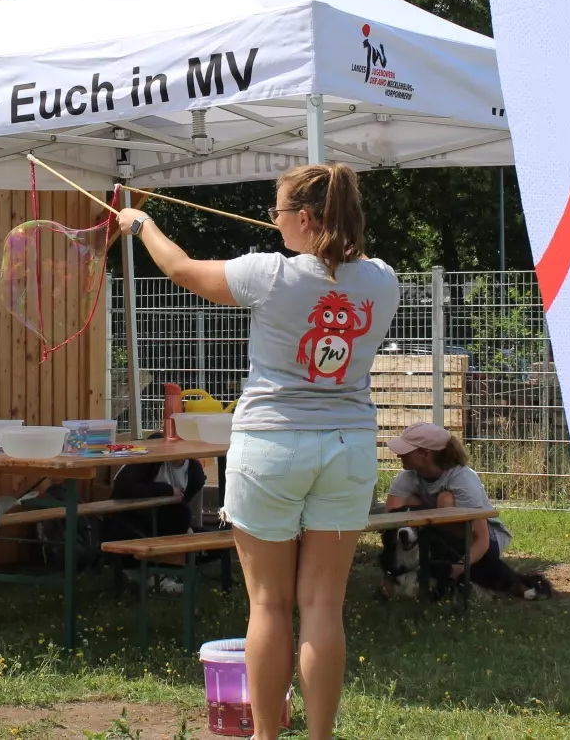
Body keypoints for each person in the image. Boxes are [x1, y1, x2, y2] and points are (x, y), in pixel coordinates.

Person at [118, 162, 399, 740]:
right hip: (347, 448)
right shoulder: (383, 280)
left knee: (269, 606)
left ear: (303, 218)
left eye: (277, 212)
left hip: (272, 443)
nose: (272, 222)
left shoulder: (268, 274)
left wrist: (140, 221)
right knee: (323, 605)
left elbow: (181, 269)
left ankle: (267, 738)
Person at [385, 423, 553, 600]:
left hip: (483, 540)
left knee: (446, 500)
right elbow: (393, 519)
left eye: (406, 450)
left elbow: (482, 538)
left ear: (426, 453)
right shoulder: (407, 476)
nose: (398, 454)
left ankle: (479, 578)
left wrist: (458, 568)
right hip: (438, 535)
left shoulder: (463, 478)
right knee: (409, 503)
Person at [103, 457, 209, 595]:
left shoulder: (194, 471)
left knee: (183, 517)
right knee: (180, 514)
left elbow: (185, 500)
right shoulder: (152, 457)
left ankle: (170, 571)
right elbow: (123, 485)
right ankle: (148, 575)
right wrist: (165, 489)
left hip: (160, 523)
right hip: (128, 520)